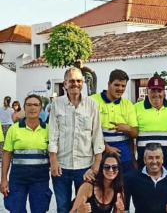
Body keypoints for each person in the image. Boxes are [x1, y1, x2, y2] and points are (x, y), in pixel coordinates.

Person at [49, 67, 105, 213]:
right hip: (62, 165)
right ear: (65, 84)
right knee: (62, 207)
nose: (76, 84)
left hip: (85, 166)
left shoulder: (91, 104)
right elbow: (53, 133)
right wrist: (53, 160)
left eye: (79, 81)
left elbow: (97, 134)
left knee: (85, 207)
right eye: (72, 81)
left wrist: (96, 165)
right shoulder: (57, 104)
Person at [0, 95, 52, 213]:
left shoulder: (48, 129)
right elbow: (7, 155)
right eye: (29, 105)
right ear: (24, 108)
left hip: (40, 180)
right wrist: (3, 179)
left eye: (36, 105)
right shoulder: (14, 129)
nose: (32, 108)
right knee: (16, 209)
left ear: (40, 108)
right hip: (17, 179)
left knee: (39, 210)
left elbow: (54, 154)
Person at [91, 69, 139, 173]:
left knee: (126, 185)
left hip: (124, 154)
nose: (120, 89)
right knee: (103, 186)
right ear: (109, 84)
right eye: (117, 85)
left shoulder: (128, 104)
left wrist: (128, 128)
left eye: (123, 86)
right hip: (100, 153)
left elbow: (135, 133)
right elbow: (88, 131)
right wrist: (105, 147)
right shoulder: (93, 101)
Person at [134, 75, 167, 169]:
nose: (156, 94)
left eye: (159, 91)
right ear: (147, 91)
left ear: (164, 92)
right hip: (144, 162)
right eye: (153, 90)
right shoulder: (136, 108)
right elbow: (132, 136)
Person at [124, 143, 167, 213]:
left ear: (162, 159)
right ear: (144, 160)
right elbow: (125, 207)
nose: (154, 161)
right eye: (150, 158)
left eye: (157, 157)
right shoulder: (131, 178)